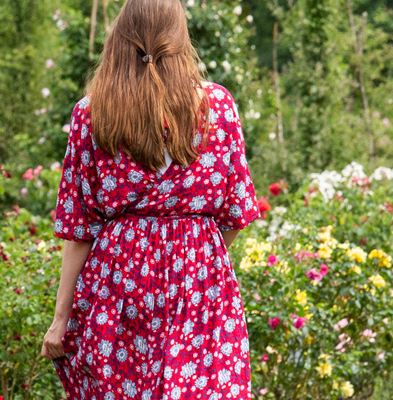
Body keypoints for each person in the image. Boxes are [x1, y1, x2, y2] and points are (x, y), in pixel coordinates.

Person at [38, 0, 260, 398]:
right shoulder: (218, 107)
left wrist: (61, 319)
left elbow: (79, 226)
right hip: (200, 286)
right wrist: (195, 249)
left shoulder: (92, 113)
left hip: (118, 283)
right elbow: (237, 209)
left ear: (120, 36)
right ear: (179, 37)